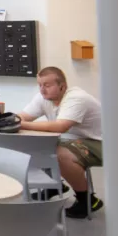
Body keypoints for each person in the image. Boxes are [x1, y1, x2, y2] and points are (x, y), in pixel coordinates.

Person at [18, 66, 105, 218]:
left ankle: (88, 201)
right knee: (40, 143)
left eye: (47, 85)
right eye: (40, 85)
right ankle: (53, 185)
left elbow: (60, 127)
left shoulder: (76, 98)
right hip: (73, 140)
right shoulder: (43, 98)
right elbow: (24, 116)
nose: (42, 90)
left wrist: (21, 124)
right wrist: (7, 120)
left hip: (102, 143)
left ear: (62, 86)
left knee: (61, 154)